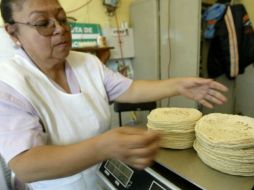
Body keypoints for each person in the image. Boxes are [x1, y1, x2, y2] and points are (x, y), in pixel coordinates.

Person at [0, 0, 228, 189]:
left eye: (61, 19)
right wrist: (103, 147)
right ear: (13, 33)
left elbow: (131, 89)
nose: (60, 29)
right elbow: (25, 164)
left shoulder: (87, 62)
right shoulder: (10, 83)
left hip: (102, 179)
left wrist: (179, 85)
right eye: (42, 23)